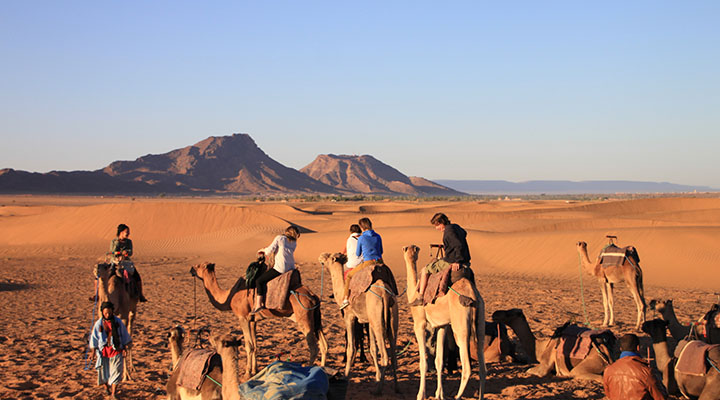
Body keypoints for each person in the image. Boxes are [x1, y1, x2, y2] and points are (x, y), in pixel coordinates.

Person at [412, 213, 470, 306]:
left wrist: (457, 261)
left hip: (453, 260)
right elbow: (464, 234)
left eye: (437, 225)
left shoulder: (449, 231)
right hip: (465, 260)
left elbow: (458, 245)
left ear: (440, 223)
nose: (436, 228)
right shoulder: (455, 227)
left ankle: (420, 296)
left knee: (425, 270)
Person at [251, 226, 300, 314]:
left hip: (281, 268)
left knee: (259, 281)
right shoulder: (294, 242)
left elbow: (270, 251)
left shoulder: (280, 238)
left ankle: (258, 304)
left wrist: (262, 250)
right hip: (291, 267)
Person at [603, 333, 668, 400]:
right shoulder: (645, 371)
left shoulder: (608, 370)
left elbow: (609, 394)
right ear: (638, 348)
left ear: (620, 349)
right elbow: (660, 397)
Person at [89, 301, 131, 399]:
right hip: (103, 352)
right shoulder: (98, 324)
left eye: (109, 312)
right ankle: (106, 387)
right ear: (102, 312)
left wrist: (124, 347)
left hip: (116, 350)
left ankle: (113, 393)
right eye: (105, 313)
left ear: (112, 311)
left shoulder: (118, 322)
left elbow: (124, 335)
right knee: (103, 373)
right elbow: (94, 338)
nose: (107, 315)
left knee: (116, 372)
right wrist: (93, 352)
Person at [340, 217, 383, 310]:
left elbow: (358, 253)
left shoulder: (362, 238)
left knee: (349, 276)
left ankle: (346, 299)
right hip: (380, 261)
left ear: (362, 227)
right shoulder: (378, 236)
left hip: (368, 262)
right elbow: (381, 251)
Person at [109, 224, 147, 302]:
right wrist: (119, 251)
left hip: (126, 262)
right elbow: (112, 252)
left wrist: (127, 253)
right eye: (126, 232)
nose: (128, 234)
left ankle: (140, 294)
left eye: (128, 232)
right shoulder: (114, 241)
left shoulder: (129, 242)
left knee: (137, 277)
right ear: (121, 232)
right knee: (106, 277)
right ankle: (99, 295)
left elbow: (130, 252)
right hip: (115, 262)